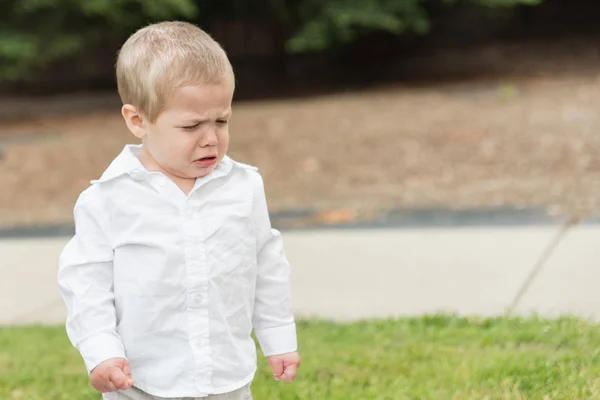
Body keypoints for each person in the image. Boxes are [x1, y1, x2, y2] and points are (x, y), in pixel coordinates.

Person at [57, 20, 300, 400]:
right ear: (138, 121)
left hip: (225, 376)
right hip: (139, 380)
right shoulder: (106, 201)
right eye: (190, 126)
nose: (211, 138)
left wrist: (278, 336)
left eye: (222, 121)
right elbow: (86, 285)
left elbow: (266, 264)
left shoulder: (244, 187)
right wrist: (101, 351)